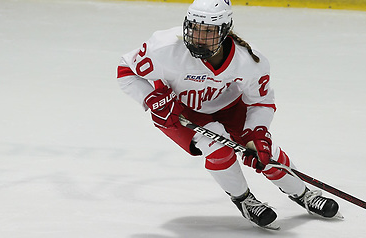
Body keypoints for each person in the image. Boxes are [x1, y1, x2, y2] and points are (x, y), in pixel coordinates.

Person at [116, 0, 339, 228]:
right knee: (218, 148)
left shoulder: (250, 61)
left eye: (209, 31)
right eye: (195, 28)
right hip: (178, 111)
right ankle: (244, 200)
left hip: (229, 106)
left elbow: (261, 101)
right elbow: (125, 70)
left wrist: (257, 133)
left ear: (224, 31)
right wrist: (150, 99)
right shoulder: (164, 48)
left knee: (263, 151)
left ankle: (303, 194)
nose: (199, 37)